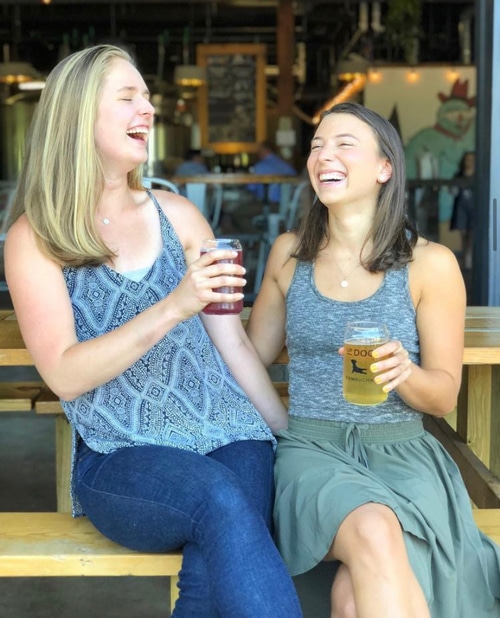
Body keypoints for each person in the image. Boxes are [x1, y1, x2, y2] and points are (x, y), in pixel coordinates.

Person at [4, 44, 303, 618]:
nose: (148, 109)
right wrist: (173, 305)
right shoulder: (35, 239)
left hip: (230, 432)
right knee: (221, 502)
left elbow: (232, 343)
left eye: (147, 96)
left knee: (212, 562)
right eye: (128, 97)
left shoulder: (181, 216)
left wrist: (288, 434)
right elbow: (65, 374)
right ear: (78, 115)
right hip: (121, 454)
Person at [246, 102, 500, 617]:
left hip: (404, 457)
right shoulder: (288, 254)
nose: (324, 155)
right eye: (317, 146)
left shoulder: (431, 264)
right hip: (313, 451)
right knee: (374, 526)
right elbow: (250, 361)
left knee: (351, 599)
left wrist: (404, 372)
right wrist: (202, 308)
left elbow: (444, 394)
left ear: (385, 168)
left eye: (344, 144)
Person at [246, 141, 297, 205]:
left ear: (266, 150)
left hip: (266, 205)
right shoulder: (286, 165)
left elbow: (251, 187)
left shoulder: (260, 166)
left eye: (259, 150)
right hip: (286, 207)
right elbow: (296, 182)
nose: (258, 153)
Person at [450, 151, 475, 270]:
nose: (469, 162)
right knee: (464, 236)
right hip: (461, 210)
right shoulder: (459, 175)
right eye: (467, 159)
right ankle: (466, 262)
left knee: (472, 236)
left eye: (471, 159)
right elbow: (452, 191)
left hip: (474, 210)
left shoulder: (478, 175)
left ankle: (469, 262)